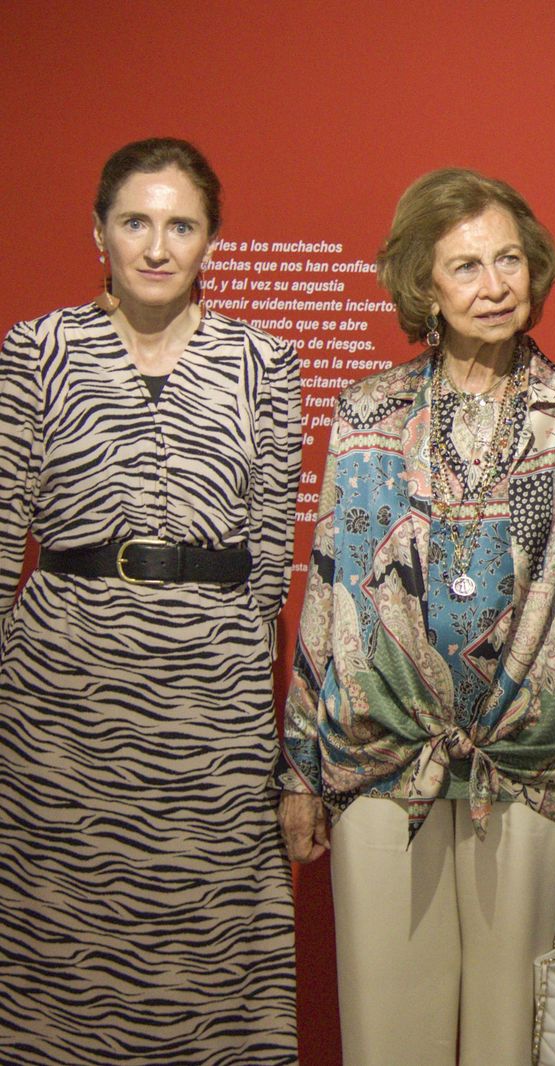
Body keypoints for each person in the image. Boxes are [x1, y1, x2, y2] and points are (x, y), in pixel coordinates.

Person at [275, 168, 555, 1066]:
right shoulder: (366, 417)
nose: (494, 284)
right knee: (390, 1040)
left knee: (515, 1041)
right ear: (423, 287)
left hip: (536, 766)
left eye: (508, 259)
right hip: (382, 761)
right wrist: (298, 769)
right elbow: (329, 588)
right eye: (466, 265)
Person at [0, 138, 300, 1064]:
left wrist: (244, 687)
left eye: (182, 225)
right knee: (57, 931)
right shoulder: (36, 350)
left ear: (211, 240)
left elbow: (270, 549)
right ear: (99, 233)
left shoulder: (264, 362)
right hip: (60, 689)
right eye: (136, 222)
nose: (158, 246)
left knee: (208, 923)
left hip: (210, 692)